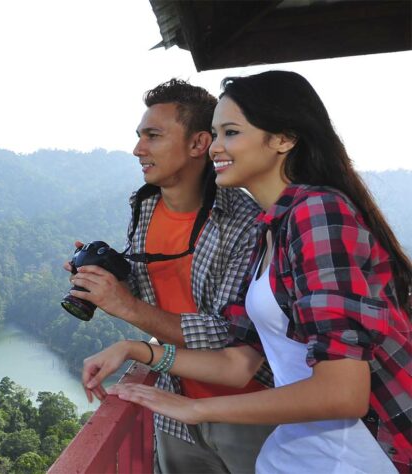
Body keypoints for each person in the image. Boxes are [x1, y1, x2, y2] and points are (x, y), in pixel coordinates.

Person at [83, 70, 412, 473]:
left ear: (284, 139)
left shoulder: (318, 213)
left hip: (356, 459)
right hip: (294, 456)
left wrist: (197, 409)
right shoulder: (271, 228)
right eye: (216, 133)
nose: (216, 146)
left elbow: (344, 393)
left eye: (231, 133)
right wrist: (138, 351)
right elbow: (239, 363)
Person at [66, 79, 274, 473]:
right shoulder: (145, 208)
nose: (138, 149)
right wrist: (109, 285)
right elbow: (151, 297)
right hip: (173, 400)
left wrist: (125, 308)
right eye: (139, 136)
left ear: (198, 144)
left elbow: (229, 335)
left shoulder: (245, 222)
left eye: (153, 136)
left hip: (248, 405)